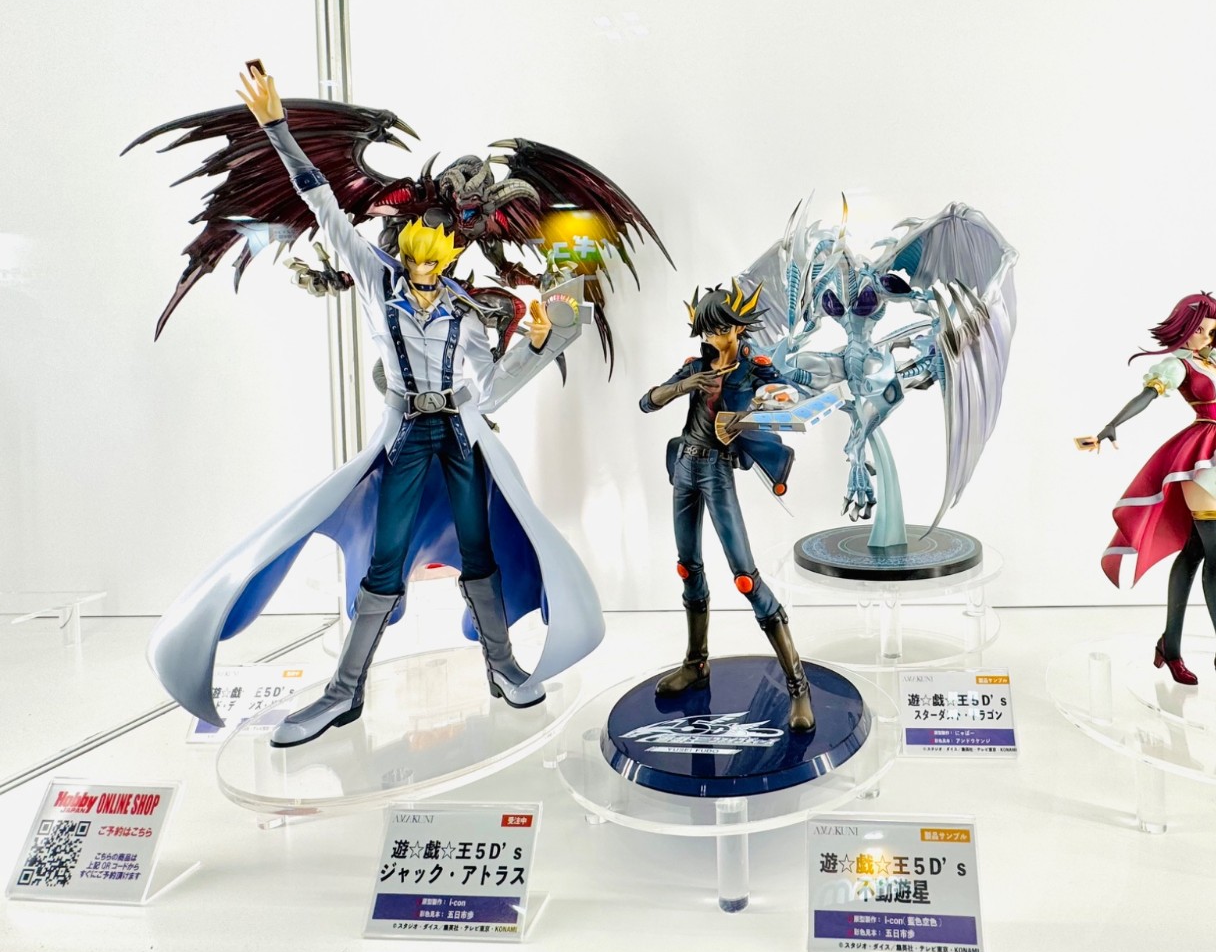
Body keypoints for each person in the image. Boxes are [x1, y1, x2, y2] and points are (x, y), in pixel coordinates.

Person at [147, 67, 604, 746]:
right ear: (406, 250)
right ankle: (344, 691)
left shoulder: (467, 311)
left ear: (450, 256)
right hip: (408, 438)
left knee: (479, 553)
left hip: (461, 437)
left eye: (437, 259)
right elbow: (326, 209)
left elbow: (489, 388)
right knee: (385, 562)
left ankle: (503, 665)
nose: (426, 269)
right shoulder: (375, 282)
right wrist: (277, 130)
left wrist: (539, 341)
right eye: (418, 257)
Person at [1080, 292, 1216, 702]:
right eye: (1199, 330)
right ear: (1184, 330)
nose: (1206, 337)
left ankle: (1169, 647)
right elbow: (1147, 396)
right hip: (1202, 457)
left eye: (1213, 330)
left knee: (1195, 551)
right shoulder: (1178, 365)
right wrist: (1111, 426)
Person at [640, 282, 814, 731]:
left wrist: (752, 411)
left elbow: (789, 399)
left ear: (737, 326)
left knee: (745, 577)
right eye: (706, 329)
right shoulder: (696, 365)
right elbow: (646, 402)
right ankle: (696, 664)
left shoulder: (753, 366)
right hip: (684, 466)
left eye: (719, 328)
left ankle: (798, 685)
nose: (712, 336)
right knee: (687, 568)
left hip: (717, 471)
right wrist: (684, 385)